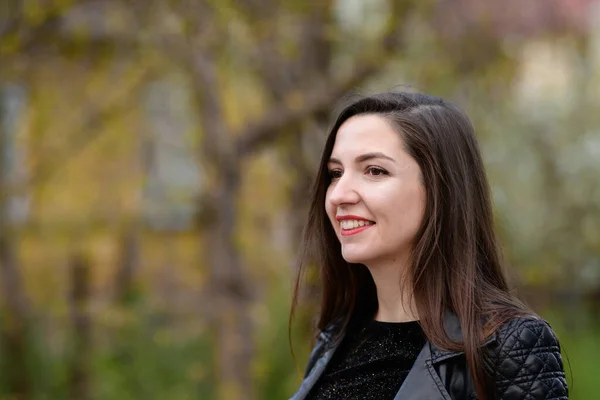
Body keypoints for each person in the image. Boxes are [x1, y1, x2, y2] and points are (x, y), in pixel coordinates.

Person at [288, 92, 568, 400]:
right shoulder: (335, 339)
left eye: (375, 171)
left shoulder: (505, 346)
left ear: (439, 189)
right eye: (335, 173)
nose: (340, 194)